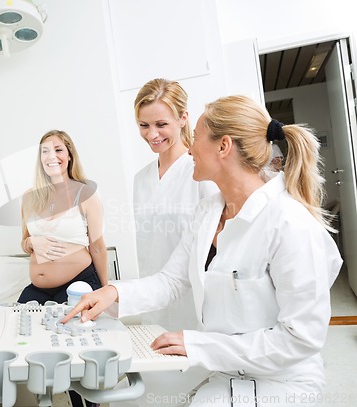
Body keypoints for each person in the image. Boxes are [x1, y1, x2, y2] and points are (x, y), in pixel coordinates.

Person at [63, 96, 342, 406]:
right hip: (225, 368)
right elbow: (170, 280)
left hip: (280, 380)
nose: (190, 148)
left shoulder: (290, 224)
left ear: (223, 146)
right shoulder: (208, 211)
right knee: (130, 399)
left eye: (195, 137)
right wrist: (112, 293)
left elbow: (300, 338)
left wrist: (200, 345)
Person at [133, 78, 217, 331]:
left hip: (197, 302)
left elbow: (218, 246)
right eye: (143, 125)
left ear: (182, 119)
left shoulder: (200, 172)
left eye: (161, 124)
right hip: (153, 300)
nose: (152, 134)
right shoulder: (141, 179)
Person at [18, 129, 107, 305]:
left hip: (79, 283)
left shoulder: (86, 194)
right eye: (46, 151)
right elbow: (25, 242)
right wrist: (30, 243)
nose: (52, 156)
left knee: (66, 328)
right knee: (18, 326)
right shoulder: (29, 197)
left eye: (58, 150)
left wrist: (105, 293)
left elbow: (97, 248)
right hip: (38, 289)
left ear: (69, 155)